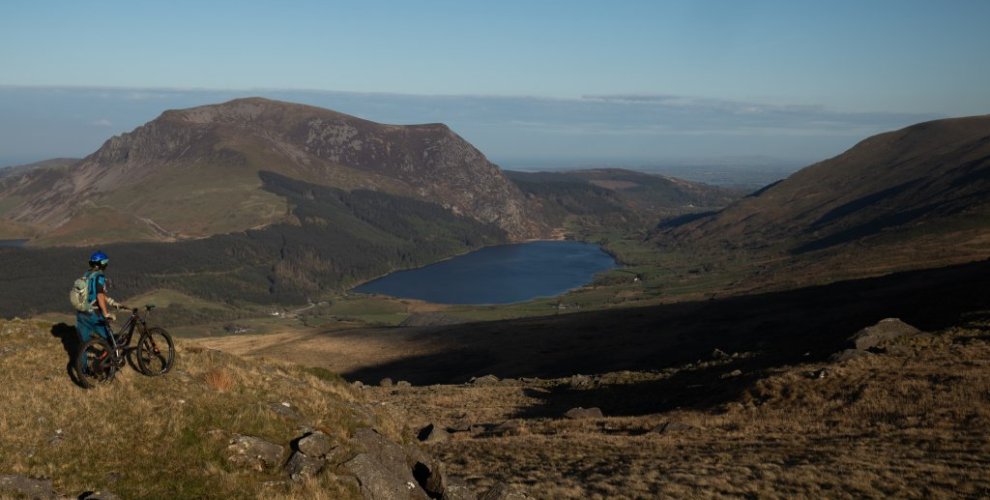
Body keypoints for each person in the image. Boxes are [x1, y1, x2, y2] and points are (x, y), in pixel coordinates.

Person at [75, 251, 125, 344]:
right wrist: (106, 313)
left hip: (81, 312)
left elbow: (92, 291)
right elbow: (99, 294)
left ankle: (82, 359)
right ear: (101, 263)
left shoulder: (86, 274)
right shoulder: (100, 276)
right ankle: (111, 357)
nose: (106, 265)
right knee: (110, 339)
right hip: (93, 313)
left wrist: (110, 301)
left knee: (83, 344)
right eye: (105, 262)